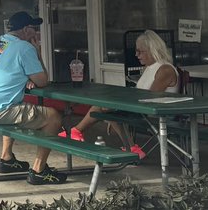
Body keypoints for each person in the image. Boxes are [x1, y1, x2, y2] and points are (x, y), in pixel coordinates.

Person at [0, 11, 67, 185]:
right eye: (34, 28)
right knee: (54, 116)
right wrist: (38, 52)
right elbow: (43, 81)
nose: (36, 32)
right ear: (25, 29)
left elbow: (6, 70)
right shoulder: (25, 48)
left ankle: (6, 159)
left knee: (16, 105)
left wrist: (26, 77)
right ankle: (39, 170)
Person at [66, 30, 176, 158]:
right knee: (106, 106)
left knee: (108, 108)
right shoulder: (149, 67)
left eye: (140, 51)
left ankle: (76, 131)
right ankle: (77, 131)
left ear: (152, 50)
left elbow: (150, 97)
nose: (136, 55)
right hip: (144, 110)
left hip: (158, 114)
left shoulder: (165, 69)